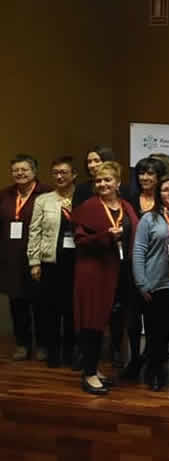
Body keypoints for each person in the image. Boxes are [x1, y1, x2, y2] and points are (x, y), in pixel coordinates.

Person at [73, 161, 138, 394]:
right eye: (99, 180)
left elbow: (134, 232)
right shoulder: (89, 207)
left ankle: (96, 368)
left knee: (108, 321)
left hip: (118, 272)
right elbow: (79, 241)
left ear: (118, 183)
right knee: (92, 321)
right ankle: (89, 373)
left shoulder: (126, 206)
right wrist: (106, 236)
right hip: (94, 273)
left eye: (107, 180)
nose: (103, 184)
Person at [132, 176, 169, 391]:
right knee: (157, 334)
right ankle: (156, 373)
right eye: (166, 190)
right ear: (159, 194)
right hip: (156, 285)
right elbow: (138, 251)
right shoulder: (149, 219)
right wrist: (142, 283)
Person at [118, 156, 168, 381]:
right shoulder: (128, 199)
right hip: (130, 265)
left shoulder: (166, 202)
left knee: (154, 318)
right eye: (141, 173)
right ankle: (134, 357)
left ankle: (151, 358)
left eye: (150, 173)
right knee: (132, 317)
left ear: (159, 177)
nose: (145, 178)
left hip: (157, 270)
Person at [1, 154, 51, 361]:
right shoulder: (4, 195)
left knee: (40, 304)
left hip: (37, 259)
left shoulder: (46, 193)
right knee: (17, 304)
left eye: (24, 170)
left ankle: (42, 344)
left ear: (34, 171)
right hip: (11, 259)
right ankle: (22, 344)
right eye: (16, 170)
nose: (20, 173)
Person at [27, 156, 76, 368]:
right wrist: (34, 261)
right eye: (55, 172)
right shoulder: (43, 200)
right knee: (51, 310)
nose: (59, 176)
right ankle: (53, 354)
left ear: (73, 175)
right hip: (50, 261)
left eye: (64, 172)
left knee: (72, 310)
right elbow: (34, 231)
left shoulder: (83, 197)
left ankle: (71, 353)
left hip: (76, 262)